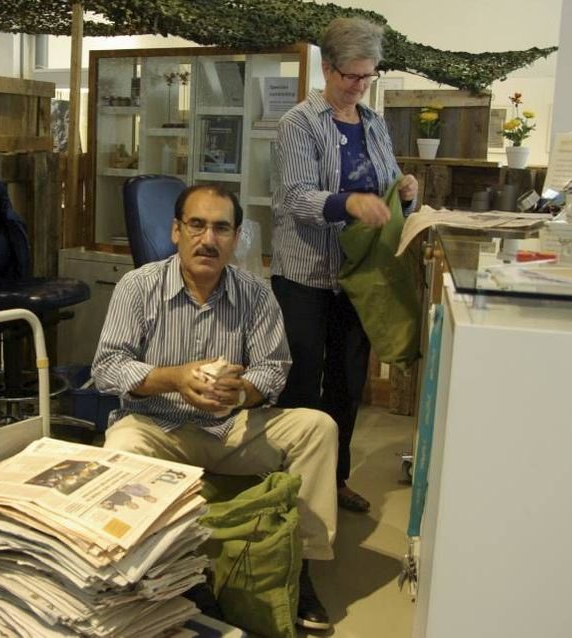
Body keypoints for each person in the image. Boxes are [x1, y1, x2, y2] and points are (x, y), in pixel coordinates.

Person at [92, 184, 339, 631]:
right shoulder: (138, 287)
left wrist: (241, 392)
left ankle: (298, 567)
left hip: (232, 430)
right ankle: (162, 573)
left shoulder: (255, 293)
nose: (208, 239)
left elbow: (275, 368)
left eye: (222, 228)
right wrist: (175, 378)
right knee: (121, 441)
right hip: (159, 426)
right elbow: (108, 367)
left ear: (236, 236)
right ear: (175, 231)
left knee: (317, 428)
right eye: (197, 225)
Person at [271, 17, 419, 514]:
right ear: (328, 68)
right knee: (301, 378)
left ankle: (333, 480)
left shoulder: (374, 124)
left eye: (367, 77)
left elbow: (388, 185)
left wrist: (405, 193)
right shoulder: (299, 123)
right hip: (306, 274)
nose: (358, 87)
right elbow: (294, 197)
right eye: (350, 77)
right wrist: (347, 204)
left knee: (347, 380)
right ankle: (289, 484)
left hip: (358, 278)